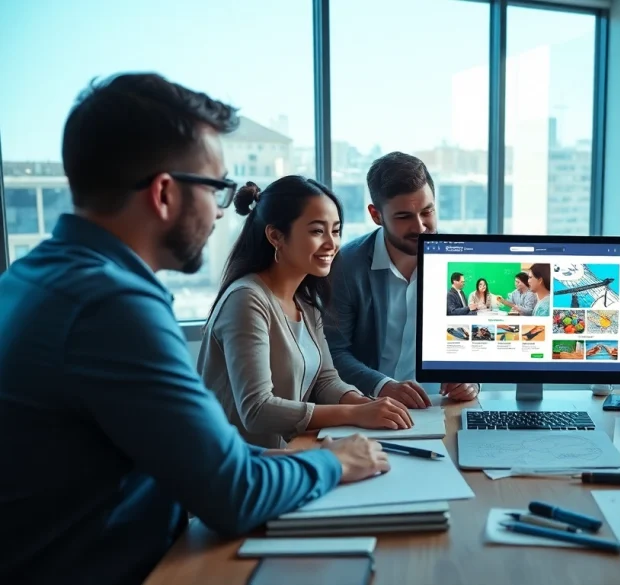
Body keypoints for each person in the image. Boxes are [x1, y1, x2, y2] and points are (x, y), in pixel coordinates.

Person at [0, 73, 389, 585]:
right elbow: (234, 493)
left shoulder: (32, 277)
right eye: (217, 189)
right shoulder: (112, 305)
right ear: (164, 193)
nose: (220, 211)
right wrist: (335, 462)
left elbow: (191, 452)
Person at [198, 177, 414, 449]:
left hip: (287, 454)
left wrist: (367, 404)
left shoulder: (306, 299)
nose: (331, 244)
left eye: (335, 231)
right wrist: (355, 413)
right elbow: (257, 410)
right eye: (316, 231)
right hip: (240, 469)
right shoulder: (246, 299)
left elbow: (325, 379)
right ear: (275, 235)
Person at [326, 152, 479, 408]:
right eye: (404, 217)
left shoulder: (462, 259)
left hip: (440, 406)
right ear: (376, 215)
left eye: (427, 211)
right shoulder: (345, 266)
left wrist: (472, 380)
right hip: (368, 406)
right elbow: (333, 351)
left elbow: (479, 335)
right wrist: (382, 385)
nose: (420, 226)